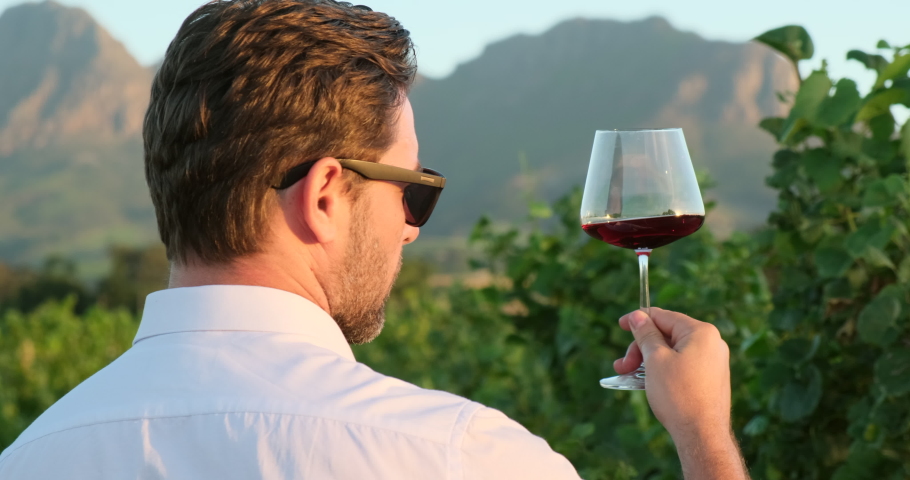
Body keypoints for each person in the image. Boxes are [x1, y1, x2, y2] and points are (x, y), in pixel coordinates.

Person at [0, 1, 750, 478]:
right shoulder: (461, 458)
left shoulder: (29, 457)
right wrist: (705, 437)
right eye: (413, 191)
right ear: (326, 197)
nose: (412, 230)